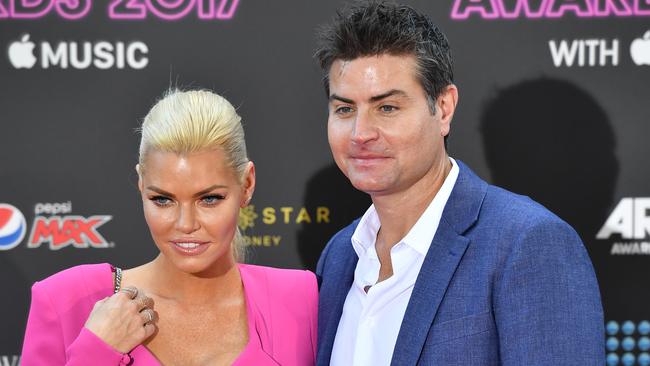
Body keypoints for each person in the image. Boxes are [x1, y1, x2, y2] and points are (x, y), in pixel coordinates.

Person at [314, 2, 604, 365]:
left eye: (386, 108)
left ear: (444, 108)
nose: (360, 133)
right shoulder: (339, 255)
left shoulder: (526, 244)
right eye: (344, 110)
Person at [21, 89, 318, 365]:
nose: (185, 224)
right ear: (141, 183)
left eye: (209, 199)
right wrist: (96, 350)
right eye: (162, 200)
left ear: (247, 184)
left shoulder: (299, 299)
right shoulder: (67, 301)